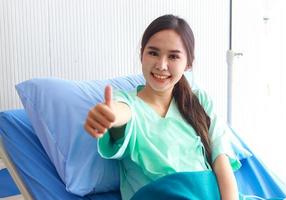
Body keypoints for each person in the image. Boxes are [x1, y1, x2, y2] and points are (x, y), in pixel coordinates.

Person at [84, 14, 240, 200]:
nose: (161, 65)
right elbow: (121, 112)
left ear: (188, 64)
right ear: (142, 55)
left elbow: (221, 162)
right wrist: (108, 115)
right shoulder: (128, 103)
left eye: (173, 56)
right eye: (153, 53)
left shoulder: (199, 101)